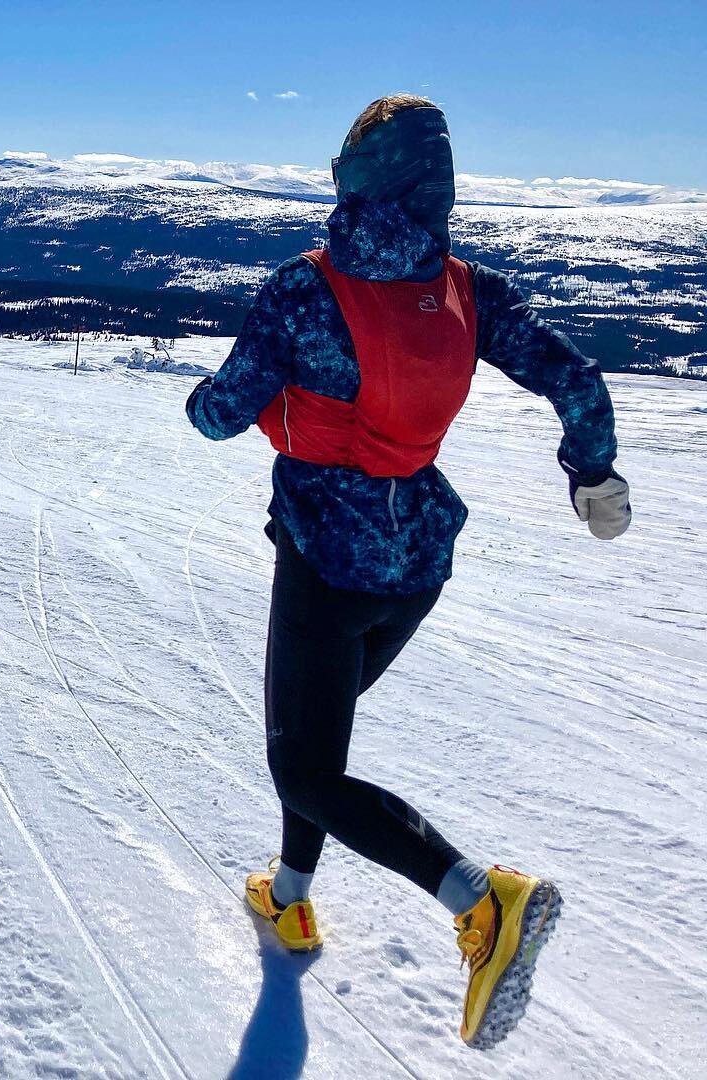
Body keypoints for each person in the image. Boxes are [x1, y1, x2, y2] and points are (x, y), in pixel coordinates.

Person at [185, 94, 631, 1050]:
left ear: (352, 179)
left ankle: (484, 900)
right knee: (316, 743)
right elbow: (578, 382)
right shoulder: (469, 289)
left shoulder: (302, 290)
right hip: (418, 558)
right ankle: (292, 899)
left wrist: (198, 400)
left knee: (301, 762)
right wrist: (593, 476)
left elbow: (224, 414)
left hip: (325, 557)